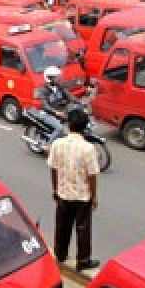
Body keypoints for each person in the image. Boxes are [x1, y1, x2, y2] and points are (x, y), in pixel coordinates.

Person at [48, 107, 100, 273]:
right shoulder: (88, 148)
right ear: (84, 127)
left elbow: (53, 169)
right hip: (82, 196)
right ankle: (83, 260)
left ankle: (60, 254)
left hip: (63, 193)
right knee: (83, 229)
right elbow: (92, 175)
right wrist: (94, 196)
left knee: (62, 226)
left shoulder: (57, 144)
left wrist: (55, 189)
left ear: (69, 124)